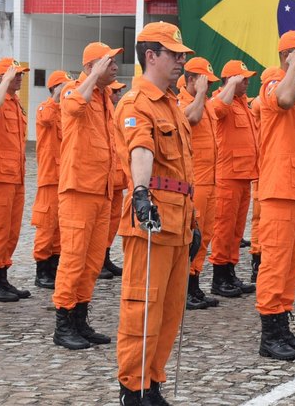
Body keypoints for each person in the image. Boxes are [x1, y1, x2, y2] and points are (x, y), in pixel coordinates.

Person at [114, 22, 195, 405]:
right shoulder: (136, 103)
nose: (181, 59)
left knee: (169, 309)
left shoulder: (172, 104)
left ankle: (153, 384)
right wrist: (141, 191)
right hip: (152, 217)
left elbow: (182, 170)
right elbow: (140, 150)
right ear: (151, 55)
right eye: (173, 53)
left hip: (178, 221)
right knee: (142, 306)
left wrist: (192, 222)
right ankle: (133, 389)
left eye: (181, 54)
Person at [255, 30, 295, 361]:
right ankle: (270, 335)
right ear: (288, 55)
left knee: (292, 264)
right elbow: (282, 100)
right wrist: (292, 66)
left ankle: (283, 326)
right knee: (276, 263)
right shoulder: (275, 84)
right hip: (280, 189)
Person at [52, 42, 121, 350]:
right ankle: (63, 323)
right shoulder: (73, 89)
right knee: (73, 259)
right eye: (110, 62)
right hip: (78, 190)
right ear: (92, 66)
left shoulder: (106, 98)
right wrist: (92, 75)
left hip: (102, 190)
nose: (116, 67)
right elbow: (73, 107)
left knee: (92, 262)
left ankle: (80, 319)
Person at [0, 58, 31, 302]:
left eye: (21, 75)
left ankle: (2, 277)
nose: (19, 78)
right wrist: (6, 81)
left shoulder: (16, 103)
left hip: (15, 176)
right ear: (1, 78)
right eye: (14, 75)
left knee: (11, 232)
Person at [209, 60, 259, 298]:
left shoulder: (243, 104)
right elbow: (215, 110)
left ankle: (230, 272)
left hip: (245, 175)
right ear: (230, 81)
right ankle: (219, 277)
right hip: (227, 176)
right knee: (224, 229)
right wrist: (231, 86)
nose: (247, 83)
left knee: (237, 231)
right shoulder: (222, 100)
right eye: (243, 79)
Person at [177, 57, 223, 309]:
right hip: (195, 181)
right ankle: (183, 288)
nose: (207, 86)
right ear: (191, 80)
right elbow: (189, 120)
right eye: (203, 80)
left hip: (211, 179)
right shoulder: (183, 102)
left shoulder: (205, 104)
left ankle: (194, 284)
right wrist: (201, 95)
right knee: (191, 236)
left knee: (205, 235)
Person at [32, 70, 71, 289]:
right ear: (54, 88)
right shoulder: (45, 108)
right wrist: (57, 98)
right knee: (46, 225)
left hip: (64, 176)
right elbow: (46, 118)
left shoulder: (65, 113)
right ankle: (42, 270)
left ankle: (54, 266)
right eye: (63, 86)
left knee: (59, 227)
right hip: (49, 177)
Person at [247, 66, 282, 284]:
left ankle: (261, 259)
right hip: (263, 166)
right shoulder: (262, 100)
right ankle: (257, 260)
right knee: (261, 217)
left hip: (267, 164)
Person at [102, 79, 128, 279]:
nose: (118, 95)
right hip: (106, 179)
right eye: (116, 91)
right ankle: (99, 261)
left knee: (112, 223)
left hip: (118, 179)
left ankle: (105, 258)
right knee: (102, 223)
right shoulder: (103, 112)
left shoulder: (116, 113)